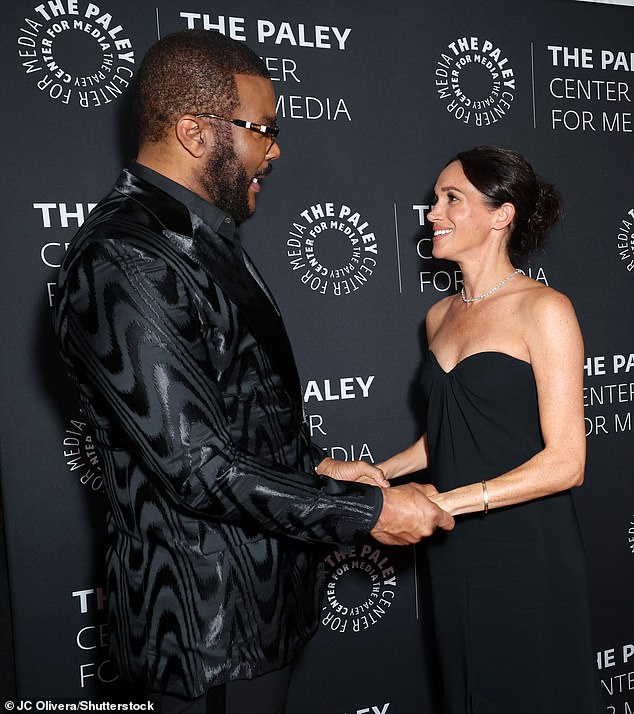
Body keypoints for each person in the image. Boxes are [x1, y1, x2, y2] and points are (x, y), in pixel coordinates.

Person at [54, 29, 453, 713]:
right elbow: (193, 466)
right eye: (261, 129)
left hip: (256, 609)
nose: (275, 149)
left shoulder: (200, 235)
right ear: (191, 130)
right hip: (201, 629)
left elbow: (237, 414)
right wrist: (366, 511)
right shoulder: (126, 258)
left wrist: (319, 470)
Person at [376, 146, 604, 713]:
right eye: (435, 199)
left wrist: (447, 501)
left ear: (502, 215)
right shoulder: (438, 317)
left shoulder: (544, 310)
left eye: (452, 198)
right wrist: (382, 473)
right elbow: (455, 432)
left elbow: (567, 462)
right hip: (453, 550)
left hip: (526, 551)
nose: (432, 212)